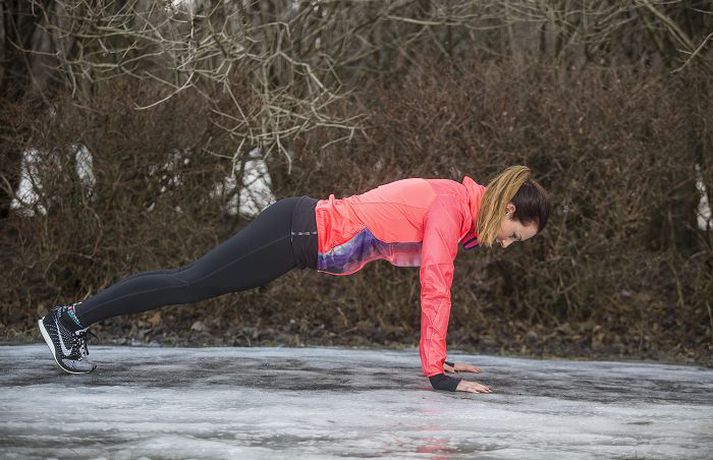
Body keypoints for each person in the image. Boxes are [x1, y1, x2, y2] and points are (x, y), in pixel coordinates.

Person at [38, 165, 549, 393]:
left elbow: (438, 265)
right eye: (513, 235)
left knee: (190, 280)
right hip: (295, 232)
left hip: (297, 234)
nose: (505, 244)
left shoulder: (459, 210)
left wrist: (439, 360)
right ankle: (69, 319)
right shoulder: (449, 210)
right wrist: (437, 374)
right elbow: (436, 285)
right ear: (506, 209)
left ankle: (73, 319)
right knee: (190, 282)